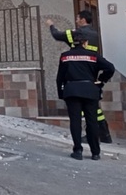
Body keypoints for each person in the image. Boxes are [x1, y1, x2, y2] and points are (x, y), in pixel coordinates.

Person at [46, 10, 112, 143]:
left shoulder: (77, 33)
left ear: (82, 20)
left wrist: (51, 25)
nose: (76, 21)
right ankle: (104, 133)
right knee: (93, 107)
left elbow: (57, 35)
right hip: (91, 72)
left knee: (81, 109)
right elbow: (107, 66)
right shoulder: (95, 34)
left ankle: (90, 137)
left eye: (77, 18)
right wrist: (102, 80)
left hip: (76, 73)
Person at [56, 30, 115, 160]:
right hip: (90, 90)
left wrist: (61, 93)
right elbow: (110, 68)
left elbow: (59, 77)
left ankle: (77, 151)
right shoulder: (93, 55)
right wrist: (101, 81)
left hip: (71, 91)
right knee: (92, 121)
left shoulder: (65, 56)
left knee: (75, 121)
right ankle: (95, 152)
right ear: (85, 43)